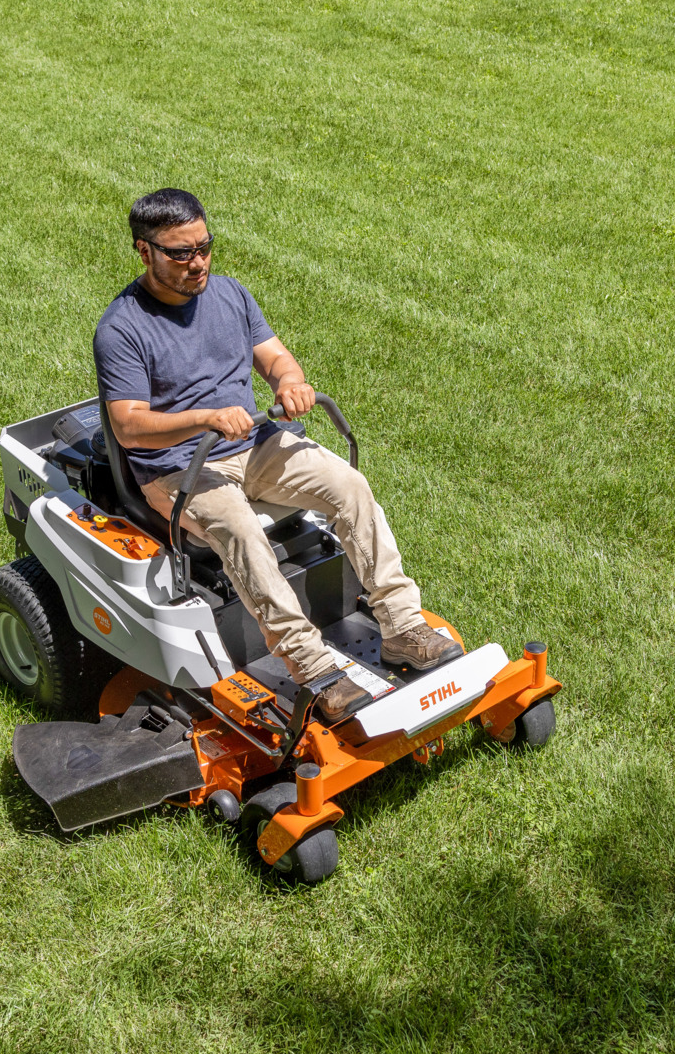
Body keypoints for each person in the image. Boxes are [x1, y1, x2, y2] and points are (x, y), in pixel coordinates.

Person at [93, 188, 462, 725]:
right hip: (178, 466)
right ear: (143, 251)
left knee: (348, 485)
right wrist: (206, 417)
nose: (197, 263)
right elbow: (128, 428)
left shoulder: (230, 296)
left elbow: (275, 358)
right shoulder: (121, 328)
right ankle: (313, 668)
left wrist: (291, 383)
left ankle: (403, 627)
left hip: (255, 444)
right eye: (180, 253)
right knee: (240, 530)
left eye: (204, 247)